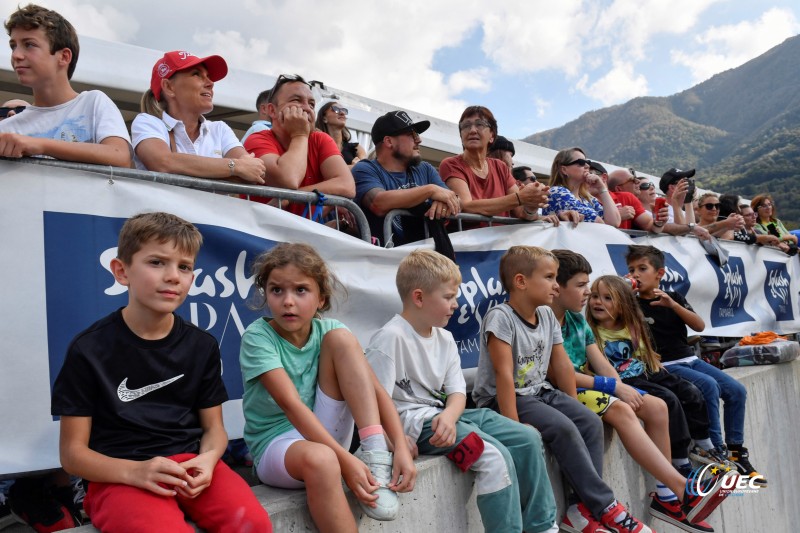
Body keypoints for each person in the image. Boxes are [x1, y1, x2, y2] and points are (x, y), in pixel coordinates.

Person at [51, 212, 271, 532]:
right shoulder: (89, 349)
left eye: (184, 266)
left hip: (190, 467)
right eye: (157, 262)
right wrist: (135, 472)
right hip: (119, 476)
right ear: (121, 270)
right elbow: (72, 455)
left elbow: (214, 430)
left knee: (252, 524)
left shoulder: (201, 345)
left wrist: (208, 460)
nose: (173, 276)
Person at [366, 249, 558, 533]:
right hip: (416, 426)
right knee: (494, 456)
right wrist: (394, 443)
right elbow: (371, 404)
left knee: (527, 437)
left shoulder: (444, 337)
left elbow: (457, 393)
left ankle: (543, 527)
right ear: (418, 297)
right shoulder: (389, 339)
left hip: (447, 417)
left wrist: (449, 415)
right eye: (448, 297)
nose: (456, 304)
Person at [473, 246, 653, 533]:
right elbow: (504, 376)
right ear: (521, 282)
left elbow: (562, 367)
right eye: (549, 277)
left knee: (589, 422)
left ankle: (579, 509)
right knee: (564, 428)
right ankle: (606, 506)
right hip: (504, 399)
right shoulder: (500, 318)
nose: (556, 285)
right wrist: (514, 428)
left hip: (539, 391)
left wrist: (574, 407)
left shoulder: (545, 314)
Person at [239, 243, 416, 532]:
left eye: (300, 290)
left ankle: (375, 456)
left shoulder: (329, 331)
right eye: (276, 290)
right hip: (277, 445)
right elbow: (291, 405)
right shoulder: (257, 337)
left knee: (342, 339)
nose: (287, 301)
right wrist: (344, 460)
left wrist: (399, 448)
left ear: (321, 298)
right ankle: (353, 460)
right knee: (323, 460)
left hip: (323, 431)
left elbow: (376, 391)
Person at [551, 250, 727, 533]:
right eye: (583, 286)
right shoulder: (548, 320)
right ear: (556, 287)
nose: (588, 293)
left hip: (591, 385)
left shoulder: (576, 321)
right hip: (564, 390)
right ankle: (681, 487)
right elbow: (562, 375)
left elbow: (601, 363)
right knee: (623, 409)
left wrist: (619, 385)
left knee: (657, 406)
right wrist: (614, 387)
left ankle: (667, 498)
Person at [626, 245, 767, 488]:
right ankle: (714, 450)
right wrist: (628, 298)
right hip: (665, 364)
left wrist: (673, 306)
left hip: (689, 358)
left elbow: (699, 326)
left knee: (736, 391)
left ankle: (736, 452)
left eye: (642, 269)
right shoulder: (631, 305)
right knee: (708, 386)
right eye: (631, 270)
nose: (636, 274)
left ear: (659, 273)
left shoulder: (673, 298)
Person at [585, 276, 735, 477]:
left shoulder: (631, 326)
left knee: (690, 391)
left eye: (607, 298)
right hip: (625, 381)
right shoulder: (591, 332)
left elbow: (645, 356)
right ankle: (680, 461)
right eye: (594, 296)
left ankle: (704, 444)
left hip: (643, 372)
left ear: (622, 305)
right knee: (669, 400)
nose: (597, 302)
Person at [0, 4, 130, 167]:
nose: (16, 55)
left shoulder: (93, 102)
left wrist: (40, 145)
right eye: (13, 46)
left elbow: (120, 156)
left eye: (29, 44)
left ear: (64, 56)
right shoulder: (6, 130)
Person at [132, 51, 266, 183]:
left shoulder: (219, 128)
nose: (210, 83)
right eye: (196, 74)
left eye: (208, 76)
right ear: (169, 87)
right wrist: (235, 167)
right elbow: (162, 162)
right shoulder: (147, 122)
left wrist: (236, 168)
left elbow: (251, 171)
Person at [244, 74, 355, 218]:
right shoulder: (257, 139)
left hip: (306, 236)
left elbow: (347, 185)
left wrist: (290, 197)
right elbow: (289, 180)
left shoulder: (321, 139)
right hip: (260, 233)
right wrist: (300, 134)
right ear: (272, 111)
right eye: (296, 100)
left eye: (312, 104)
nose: (307, 108)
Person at [352, 110, 460, 245]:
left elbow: (452, 198)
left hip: (424, 260)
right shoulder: (365, 168)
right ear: (389, 141)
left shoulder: (424, 169)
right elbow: (378, 203)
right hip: (382, 261)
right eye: (411, 134)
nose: (419, 139)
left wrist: (444, 201)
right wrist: (431, 191)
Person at [439, 106, 553, 223]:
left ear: (492, 136)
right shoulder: (451, 164)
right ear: (461, 135)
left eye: (480, 124)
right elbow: (466, 206)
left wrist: (531, 206)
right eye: (466, 126)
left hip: (503, 240)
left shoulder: (500, 167)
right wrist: (520, 198)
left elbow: (520, 212)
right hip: (465, 239)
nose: (472, 130)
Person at [543, 148, 621, 226]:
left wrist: (602, 188)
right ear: (564, 170)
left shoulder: (588, 198)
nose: (587, 166)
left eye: (587, 162)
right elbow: (597, 222)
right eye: (581, 162)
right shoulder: (557, 192)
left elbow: (615, 222)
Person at [596, 163, 662, 232]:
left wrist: (659, 222)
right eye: (632, 180)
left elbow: (649, 225)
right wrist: (616, 217)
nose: (638, 181)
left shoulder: (628, 198)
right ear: (618, 189)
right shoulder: (585, 202)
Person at [315, 101, 366, 167]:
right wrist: (353, 167)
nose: (342, 113)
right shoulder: (317, 146)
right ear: (324, 118)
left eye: (344, 110)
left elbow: (363, 168)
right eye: (335, 109)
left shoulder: (357, 149)